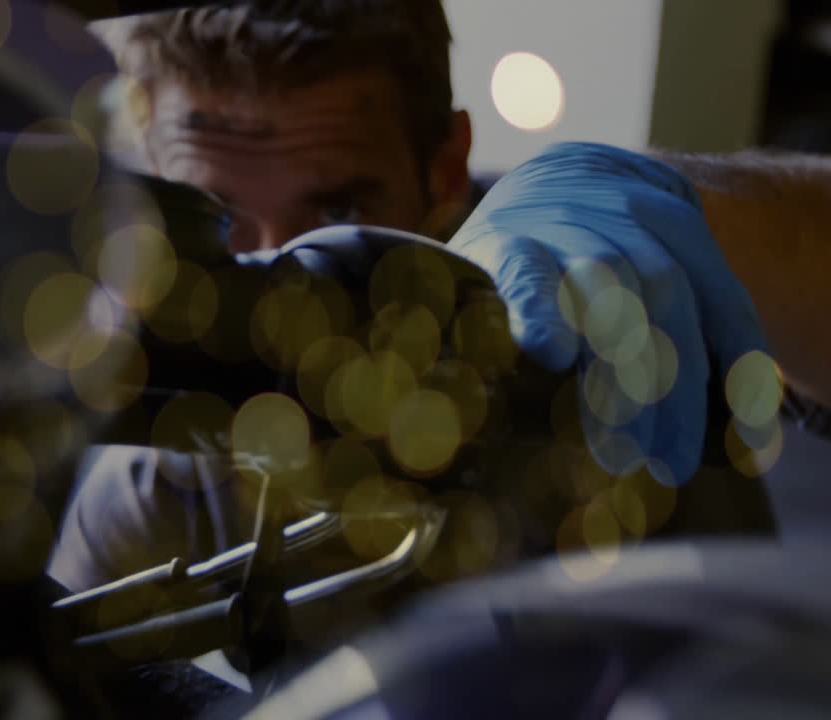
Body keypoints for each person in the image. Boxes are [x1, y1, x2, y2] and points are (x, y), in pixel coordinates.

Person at [49, 0, 831, 593]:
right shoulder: (156, 477)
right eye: (220, 221)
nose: (277, 287)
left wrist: (714, 212)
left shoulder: (593, 337)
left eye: (338, 212)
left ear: (447, 166)